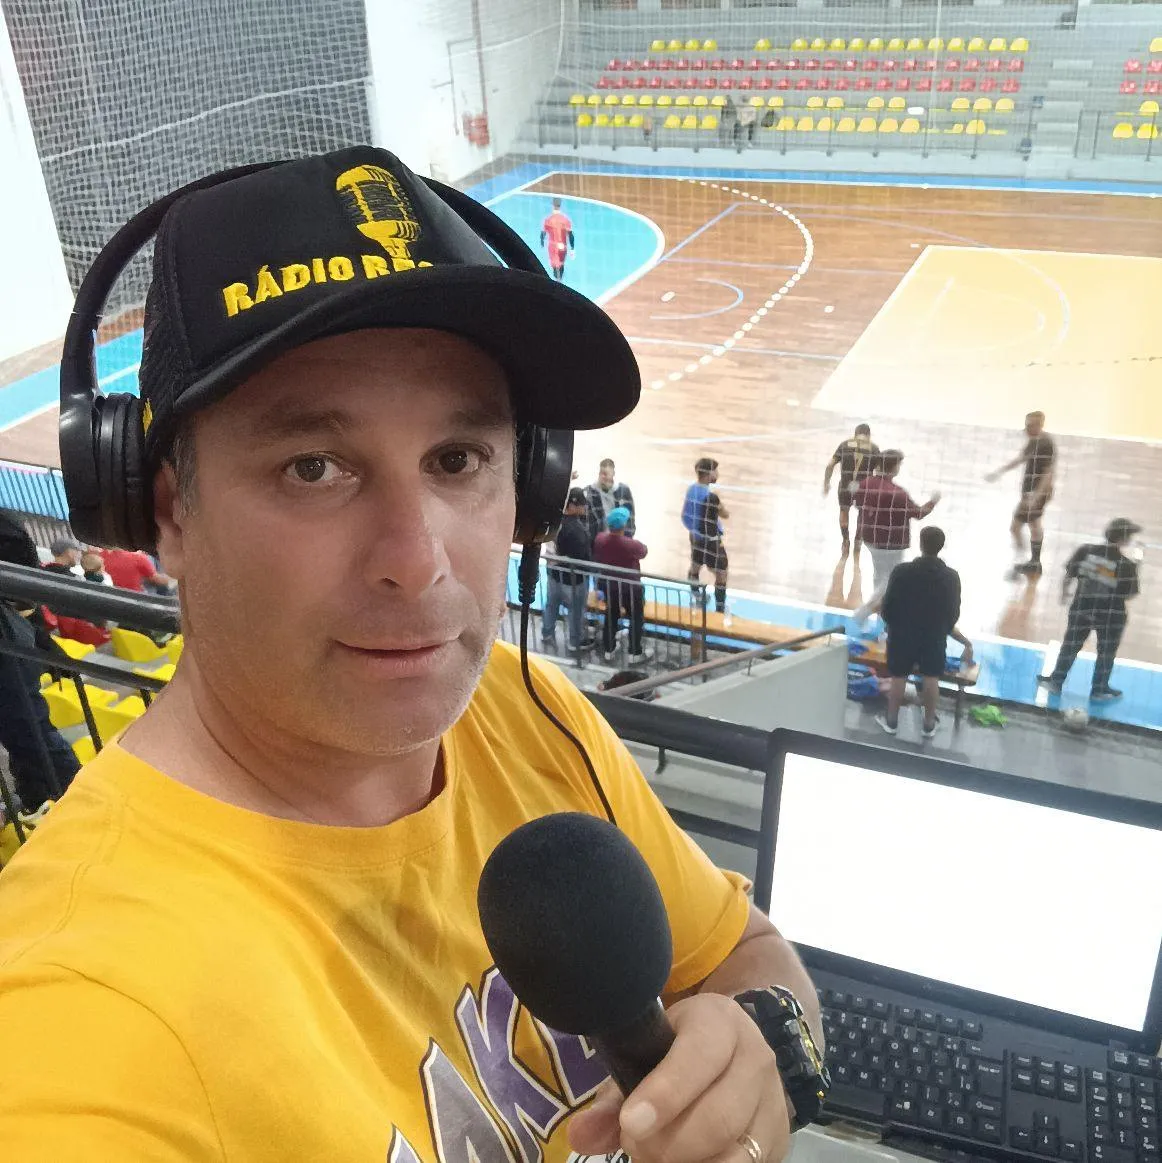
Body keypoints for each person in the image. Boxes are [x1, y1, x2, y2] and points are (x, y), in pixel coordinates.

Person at [0, 147, 820, 1161]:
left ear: (528, 480)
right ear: (165, 510)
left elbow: (744, 951)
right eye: (314, 467)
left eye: (457, 459)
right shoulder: (79, 1025)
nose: (417, 560)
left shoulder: (522, 709)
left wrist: (764, 1046)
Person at [0, 511, 80, 812]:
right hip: (10, 647)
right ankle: (74, 800)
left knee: (25, 730)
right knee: (29, 729)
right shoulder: (9, 530)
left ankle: (41, 796)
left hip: (12, 641)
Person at [876, 526, 971, 739]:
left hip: (902, 633)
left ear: (920, 544)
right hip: (933, 636)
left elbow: (887, 605)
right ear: (941, 547)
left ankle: (891, 722)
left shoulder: (901, 571)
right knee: (931, 677)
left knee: (898, 676)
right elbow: (953, 611)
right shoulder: (951, 577)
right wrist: (942, 629)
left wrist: (892, 625)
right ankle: (928, 725)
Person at [1038, 518, 1142, 701]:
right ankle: (1099, 689)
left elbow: (1069, 574)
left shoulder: (1085, 550)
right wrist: (1137, 568)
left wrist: (1064, 593)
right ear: (1124, 539)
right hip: (1111, 616)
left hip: (1082, 608)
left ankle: (1056, 681)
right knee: (1106, 652)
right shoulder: (1126, 564)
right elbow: (1130, 594)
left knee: (1071, 645)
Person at [851, 450, 940, 624]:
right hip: (891, 544)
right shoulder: (898, 493)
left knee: (879, 575)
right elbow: (918, 513)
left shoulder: (865, 484)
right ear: (895, 467)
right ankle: (864, 612)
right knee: (889, 579)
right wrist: (933, 502)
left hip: (870, 538)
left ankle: (880, 612)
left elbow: (856, 502)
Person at [985, 410, 1055, 577]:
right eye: (1026, 425)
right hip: (1030, 493)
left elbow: (1048, 473)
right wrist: (999, 472)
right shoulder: (1034, 441)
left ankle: (1026, 560)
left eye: (1030, 425)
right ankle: (1033, 562)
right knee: (1032, 525)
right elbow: (1021, 458)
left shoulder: (1045, 444)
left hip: (1035, 494)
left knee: (1018, 527)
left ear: (1039, 425)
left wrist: (1036, 496)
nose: (1026, 428)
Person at [593, 506, 651, 663]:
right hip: (631, 588)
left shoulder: (600, 539)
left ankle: (609, 649)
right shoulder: (631, 545)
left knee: (611, 616)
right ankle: (635, 652)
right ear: (624, 525)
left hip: (610, 586)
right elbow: (644, 551)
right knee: (636, 618)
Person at [543, 487, 595, 652]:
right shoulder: (577, 530)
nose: (584, 507)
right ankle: (575, 641)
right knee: (575, 611)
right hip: (573, 580)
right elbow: (584, 558)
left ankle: (547, 633)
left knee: (551, 605)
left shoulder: (554, 521)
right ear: (572, 506)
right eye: (581, 505)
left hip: (553, 575)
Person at [682, 456, 730, 614]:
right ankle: (720, 610)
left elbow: (684, 516)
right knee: (721, 574)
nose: (717, 474)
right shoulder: (711, 497)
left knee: (695, 567)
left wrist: (693, 531)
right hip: (711, 541)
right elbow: (725, 514)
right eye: (715, 471)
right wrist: (719, 505)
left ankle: (697, 596)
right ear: (709, 474)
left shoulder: (691, 490)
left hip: (695, 537)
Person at [822, 423, 880, 550]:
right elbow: (879, 471)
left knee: (844, 511)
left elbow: (830, 465)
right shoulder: (874, 448)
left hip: (845, 486)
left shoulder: (844, 445)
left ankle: (845, 540)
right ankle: (858, 541)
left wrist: (826, 483)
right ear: (869, 435)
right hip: (864, 488)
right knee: (863, 513)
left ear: (855, 433)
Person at [584, 456, 636, 541]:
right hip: (598, 542)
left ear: (613, 474)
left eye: (606, 474)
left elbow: (630, 517)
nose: (603, 477)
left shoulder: (623, 490)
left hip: (621, 539)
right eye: (601, 473)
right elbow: (586, 522)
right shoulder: (589, 492)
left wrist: (627, 540)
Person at [101, 546, 173, 593]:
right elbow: (159, 580)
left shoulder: (100, 555)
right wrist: (175, 578)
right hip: (136, 599)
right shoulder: (138, 558)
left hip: (111, 597)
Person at [540, 196, 574, 282]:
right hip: (563, 246)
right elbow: (570, 235)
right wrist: (572, 248)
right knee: (561, 264)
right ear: (560, 205)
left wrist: (542, 243)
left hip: (552, 246)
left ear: (553, 205)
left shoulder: (548, 219)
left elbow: (543, 234)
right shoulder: (565, 220)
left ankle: (557, 280)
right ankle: (560, 279)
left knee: (555, 266)